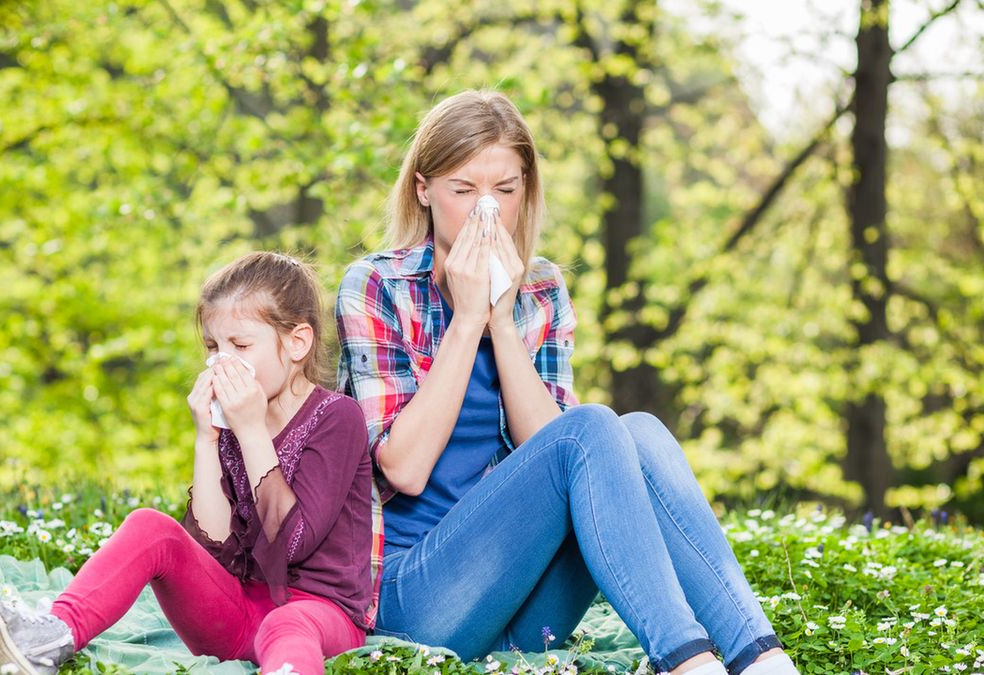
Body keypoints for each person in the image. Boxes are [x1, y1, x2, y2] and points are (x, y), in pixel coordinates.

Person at [335, 90, 799, 675]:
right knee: (594, 427)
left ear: (525, 190)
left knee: (639, 432)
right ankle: (687, 661)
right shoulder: (377, 286)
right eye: (463, 191)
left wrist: (502, 320)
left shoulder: (541, 289)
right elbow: (403, 468)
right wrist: (467, 319)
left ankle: (761, 659)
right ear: (423, 190)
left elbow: (559, 455)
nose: (487, 212)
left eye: (504, 191)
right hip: (417, 599)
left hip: (523, 604)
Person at [0, 252, 377, 675]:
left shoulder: (337, 417)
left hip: (320, 615)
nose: (221, 361)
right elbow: (214, 548)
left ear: (297, 342)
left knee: (287, 624)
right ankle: (50, 638)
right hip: (237, 616)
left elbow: (292, 543)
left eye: (241, 344)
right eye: (213, 345)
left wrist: (250, 430)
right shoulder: (231, 423)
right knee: (151, 526)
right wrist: (207, 439)